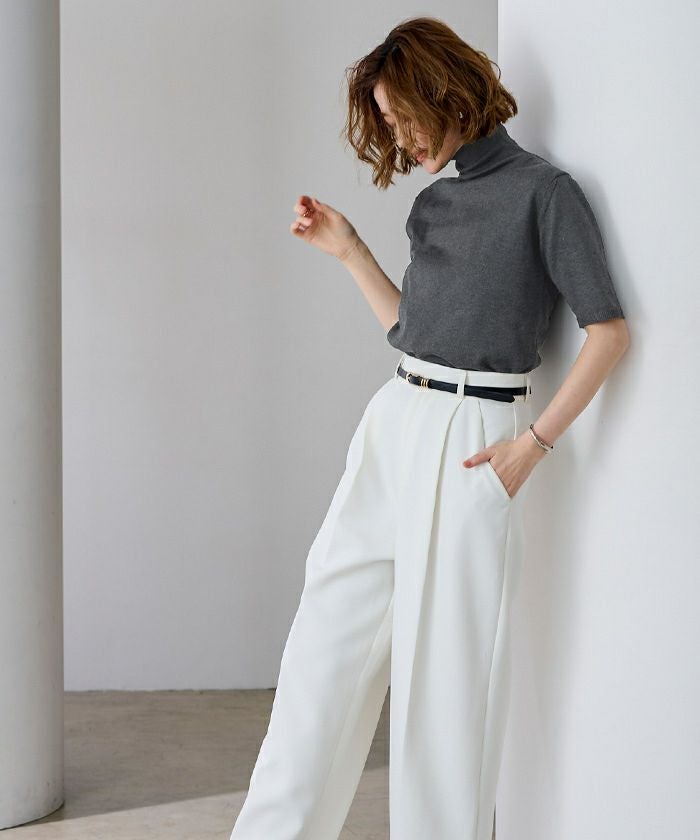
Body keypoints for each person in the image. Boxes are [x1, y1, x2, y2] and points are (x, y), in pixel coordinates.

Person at [229, 15, 629, 840]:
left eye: (404, 116)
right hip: (395, 420)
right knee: (321, 659)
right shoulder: (434, 203)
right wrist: (349, 250)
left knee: (446, 695)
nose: (400, 138)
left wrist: (532, 447)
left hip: (477, 438)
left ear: (450, 93)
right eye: (387, 120)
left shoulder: (544, 193)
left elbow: (609, 333)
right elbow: (415, 332)